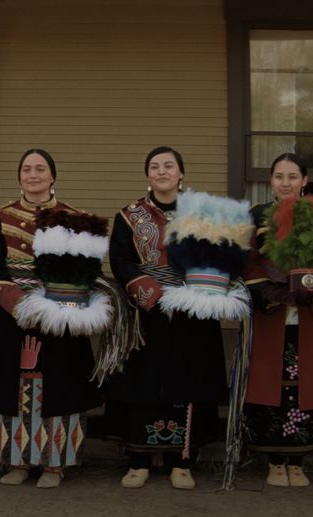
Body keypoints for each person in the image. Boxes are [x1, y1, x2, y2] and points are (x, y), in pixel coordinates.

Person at [0, 149, 104, 489]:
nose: (33, 175)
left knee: (60, 385)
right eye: (26, 169)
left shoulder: (75, 218)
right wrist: (24, 307)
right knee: (10, 386)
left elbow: (87, 273)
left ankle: (54, 464)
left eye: (40, 169)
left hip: (60, 316)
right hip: (10, 316)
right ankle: (16, 460)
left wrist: (58, 306)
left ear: (52, 176)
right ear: (19, 176)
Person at [106, 146, 229, 490]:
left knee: (188, 380)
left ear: (181, 173)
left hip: (192, 311)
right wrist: (151, 294)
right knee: (142, 382)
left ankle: (183, 460)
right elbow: (121, 260)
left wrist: (199, 288)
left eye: (169, 166)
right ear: (147, 175)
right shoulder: (129, 216)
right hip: (146, 313)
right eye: (155, 167)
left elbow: (220, 255)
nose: (162, 172)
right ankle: (138, 460)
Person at [237, 153, 313, 488]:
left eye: (292, 177)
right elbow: (247, 262)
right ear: (270, 180)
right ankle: (274, 460)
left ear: (305, 181)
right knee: (271, 382)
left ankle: (298, 459)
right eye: (278, 176)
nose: (285, 183)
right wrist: (271, 291)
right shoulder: (256, 216)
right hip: (272, 313)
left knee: (306, 383)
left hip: (310, 313)